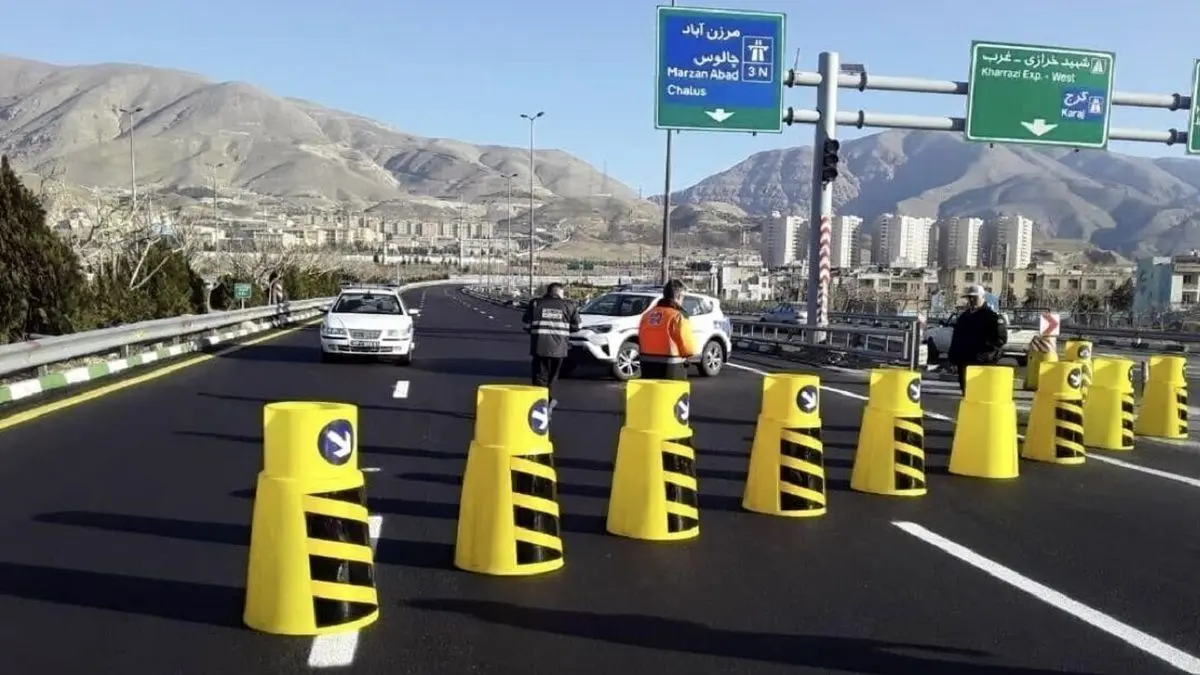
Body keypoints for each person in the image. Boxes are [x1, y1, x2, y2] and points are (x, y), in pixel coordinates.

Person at [521, 282, 580, 408]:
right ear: (558, 292)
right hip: (559, 350)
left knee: (540, 377)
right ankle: (548, 399)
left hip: (539, 347)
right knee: (553, 377)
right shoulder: (570, 305)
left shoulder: (536, 303)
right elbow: (577, 327)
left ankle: (540, 403)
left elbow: (526, 323)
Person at [947, 284, 1008, 394]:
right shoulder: (963, 318)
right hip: (964, 363)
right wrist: (953, 359)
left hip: (982, 363)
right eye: (969, 297)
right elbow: (956, 340)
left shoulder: (991, 317)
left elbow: (1001, 339)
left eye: (975, 297)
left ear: (982, 298)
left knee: (980, 393)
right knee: (967, 393)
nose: (972, 300)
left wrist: (989, 353)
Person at [637, 279, 698, 380]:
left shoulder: (647, 315)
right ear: (679, 296)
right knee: (674, 394)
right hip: (672, 364)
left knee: (652, 394)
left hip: (646, 363)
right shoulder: (678, 316)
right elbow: (686, 343)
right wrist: (688, 355)